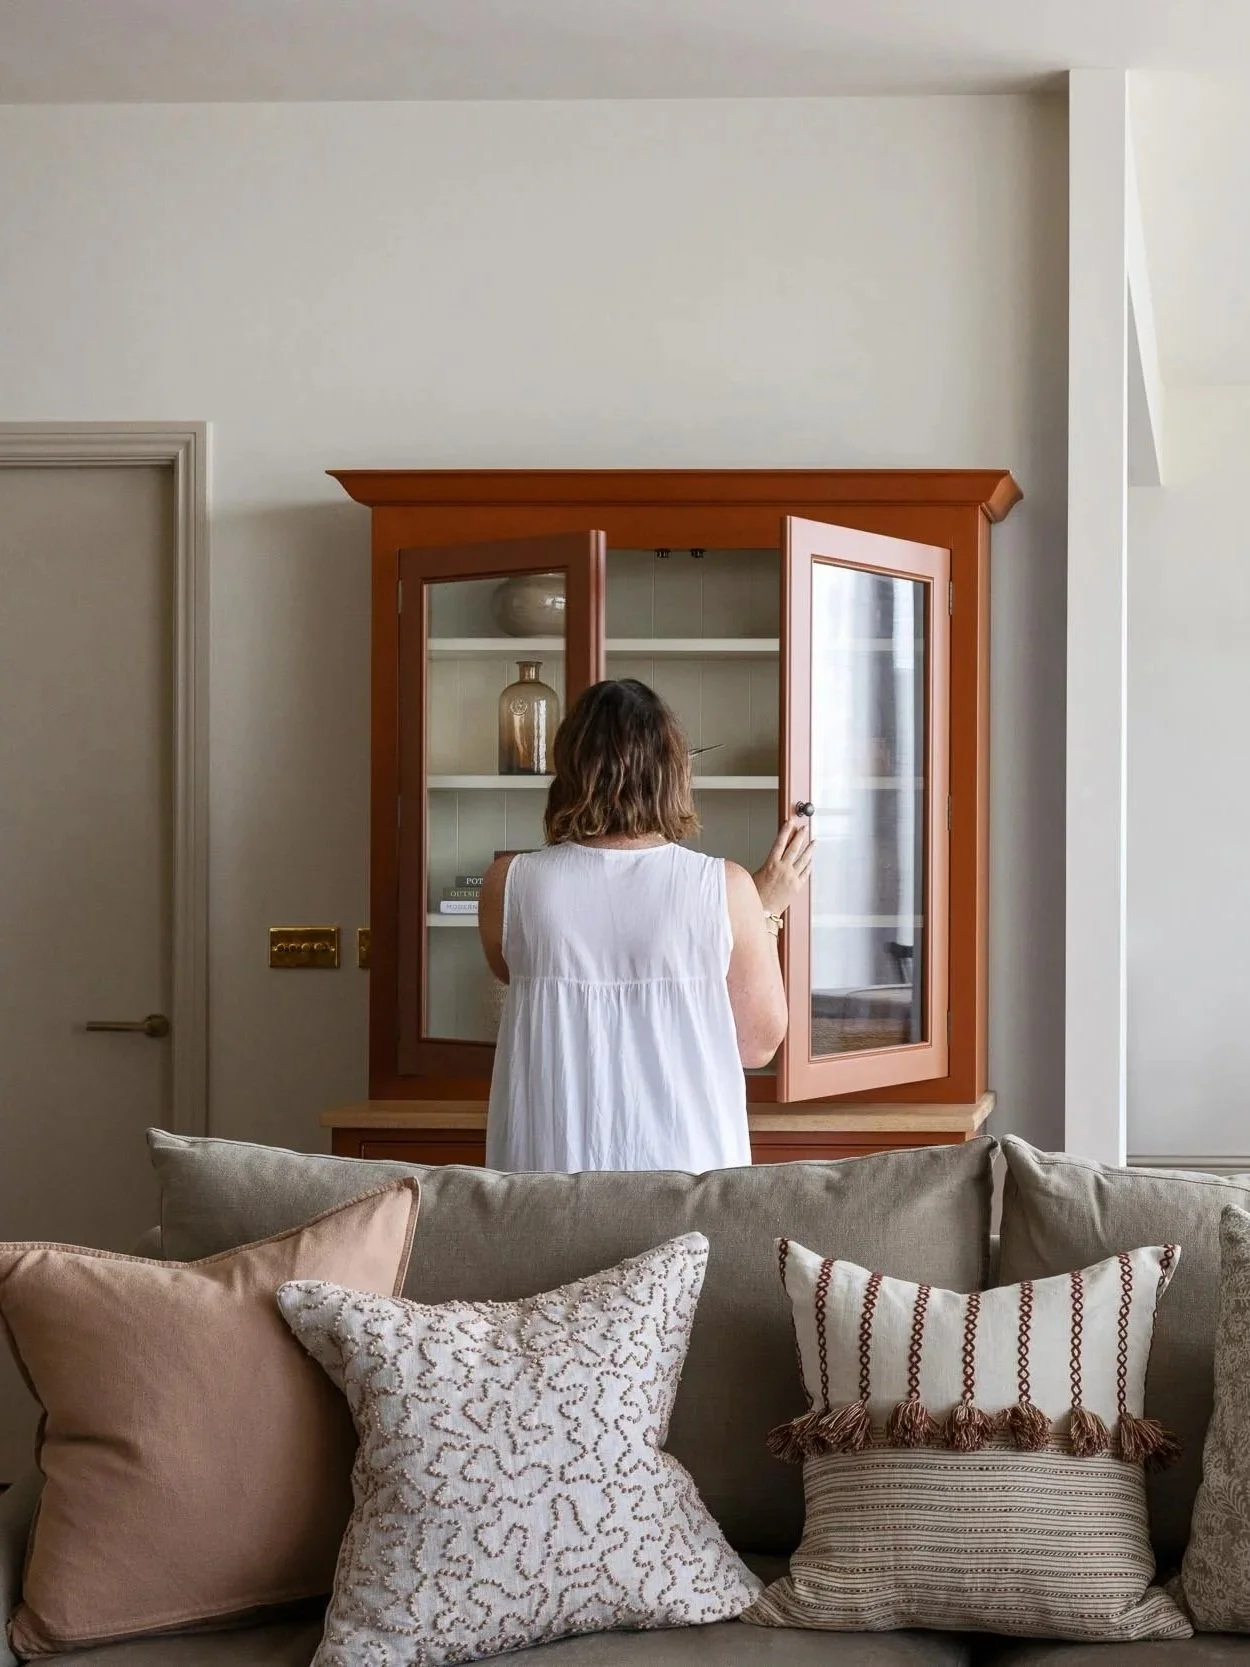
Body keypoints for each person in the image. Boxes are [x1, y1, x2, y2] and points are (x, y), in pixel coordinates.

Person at [477, 678, 812, 1172]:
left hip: (547, 1173)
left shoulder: (509, 882)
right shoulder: (726, 887)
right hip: (684, 1174)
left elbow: (516, 971)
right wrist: (764, 912)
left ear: (568, 768)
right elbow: (754, 1045)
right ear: (672, 771)